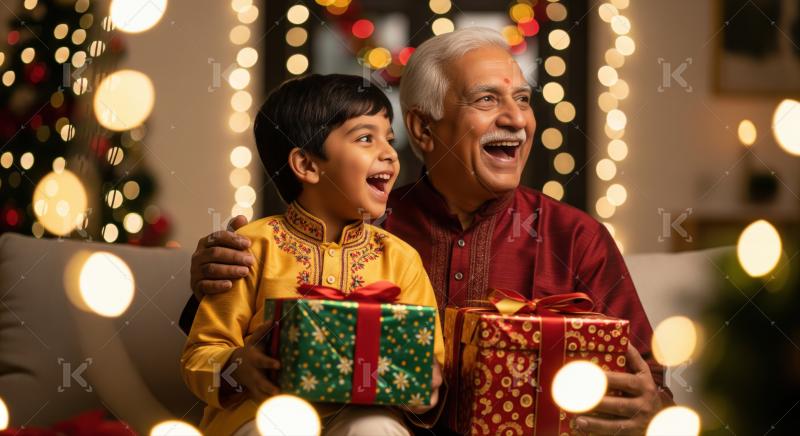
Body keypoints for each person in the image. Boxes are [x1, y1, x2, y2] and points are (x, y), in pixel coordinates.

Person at [183, 28, 672, 435]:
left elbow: (649, 382)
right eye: (487, 99)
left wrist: (651, 411)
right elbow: (224, 335)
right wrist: (210, 272)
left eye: (522, 99)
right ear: (423, 128)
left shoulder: (575, 237)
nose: (517, 119)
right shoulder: (368, 218)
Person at [181, 74, 444, 436]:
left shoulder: (400, 259)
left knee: (377, 427)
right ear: (306, 165)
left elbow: (430, 359)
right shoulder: (251, 247)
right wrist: (236, 367)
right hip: (262, 415)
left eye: (390, 139)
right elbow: (200, 354)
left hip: (361, 416)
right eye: (367, 138)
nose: (389, 153)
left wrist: (424, 383)